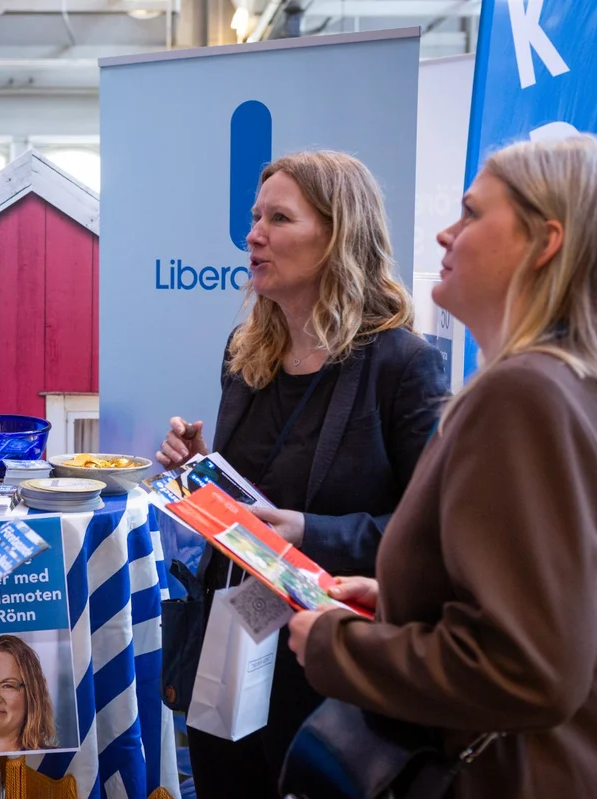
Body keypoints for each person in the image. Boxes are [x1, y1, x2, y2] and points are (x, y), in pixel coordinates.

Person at [287, 136, 597, 798]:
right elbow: (555, 612)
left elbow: (523, 669)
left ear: (544, 243)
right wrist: (403, 601)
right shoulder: (582, 388)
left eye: (472, 213)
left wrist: (336, 645)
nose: (445, 233)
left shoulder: (525, 395)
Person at [156, 150, 448, 794]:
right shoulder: (246, 354)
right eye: (255, 217)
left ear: (339, 235)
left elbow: (432, 534)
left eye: (279, 219)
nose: (253, 235)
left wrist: (310, 531)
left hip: (329, 664)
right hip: (231, 636)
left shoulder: (402, 364)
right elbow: (257, 496)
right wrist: (202, 467)